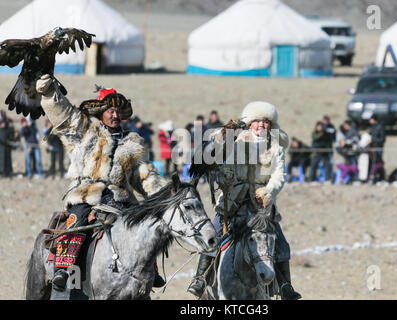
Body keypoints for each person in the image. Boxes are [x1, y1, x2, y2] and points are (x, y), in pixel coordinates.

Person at [35, 75, 166, 291]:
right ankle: (62, 269)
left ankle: (151, 270)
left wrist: (164, 195)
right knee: (78, 218)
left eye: (117, 111)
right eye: (110, 111)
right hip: (88, 194)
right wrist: (48, 93)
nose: (115, 115)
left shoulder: (132, 143)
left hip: (121, 199)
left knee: (145, 227)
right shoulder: (86, 133)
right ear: (101, 113)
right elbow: (65, 115)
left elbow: (145, 174)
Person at [187, 101, 301, 300]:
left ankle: (285, 286)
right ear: (249, 124)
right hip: (231, 205)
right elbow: (221, 168)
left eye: (266, 122)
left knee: (281, 244)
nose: (261, 126)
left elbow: (279, 176)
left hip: (261, 208)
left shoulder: (276, 148)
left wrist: (268, 191)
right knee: (212, 237)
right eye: (257, 121)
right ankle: (201, 278)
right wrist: (227, 178)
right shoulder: (236, 142)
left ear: (271, 125)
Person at [367, 115, 386, 183]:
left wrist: (373, 140)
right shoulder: (372, 128)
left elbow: (382, 139)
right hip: (372, 148)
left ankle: (372, 177)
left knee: (377, 162)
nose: (370, 121)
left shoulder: (380, 127)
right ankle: (381, 178)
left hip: (378, 148)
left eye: (371, 119)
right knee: (378, 163)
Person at [0, 110, 14, 177]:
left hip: (7, 144)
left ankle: (7, 172)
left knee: (7, 159)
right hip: (1, 144)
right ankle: (2, 172)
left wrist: (10, 140)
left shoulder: (7, 123)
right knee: (1, 159)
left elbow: (11, 132)